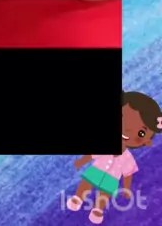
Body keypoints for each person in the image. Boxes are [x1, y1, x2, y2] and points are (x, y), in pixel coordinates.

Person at [69, 91, 162, 224]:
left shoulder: (127, 158)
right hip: (97, 170)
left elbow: (128, 173)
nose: (127, 130)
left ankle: (98, 210)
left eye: (141, 133)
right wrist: (81, 162)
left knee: (104, 194)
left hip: (111, 178)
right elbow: (92, 155)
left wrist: (126, 188)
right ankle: (78, 198)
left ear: (147, 141)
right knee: (86, 183)